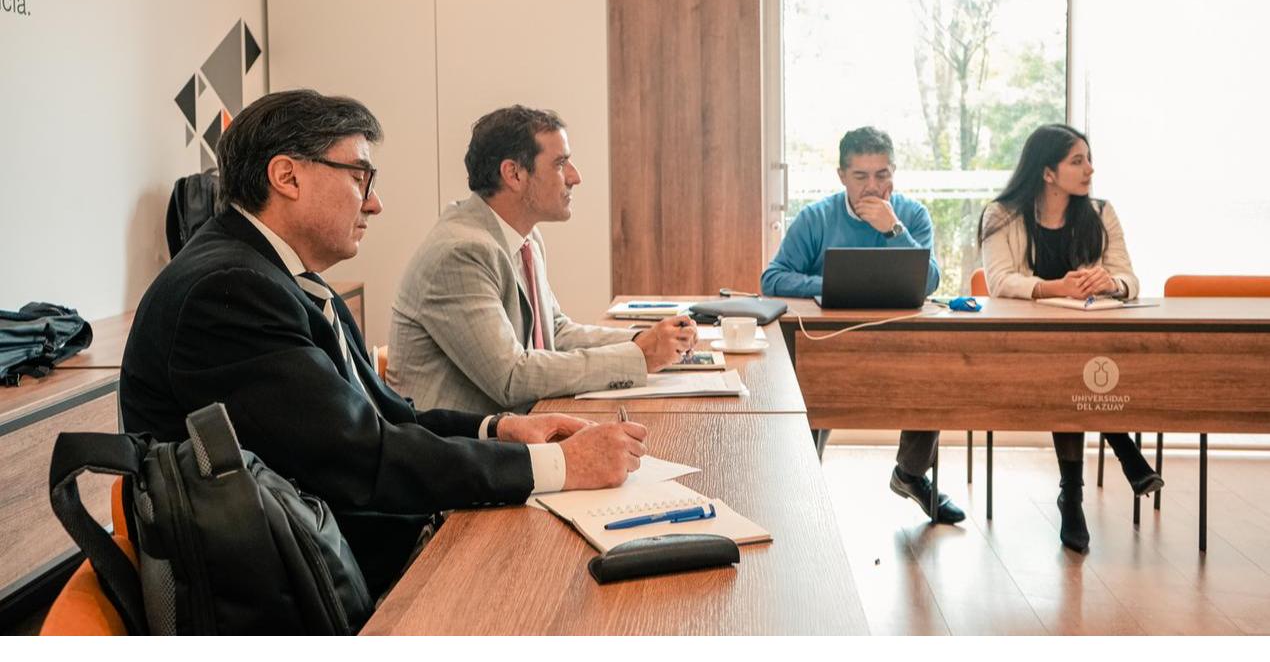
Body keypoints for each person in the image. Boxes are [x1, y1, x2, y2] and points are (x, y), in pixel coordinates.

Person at [120, 90, 648, 597]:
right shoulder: (228, 291)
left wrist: (500, 430)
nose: (374, 203)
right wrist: (558, 466)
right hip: (335, 589)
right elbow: (360, 457)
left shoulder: (281, 276)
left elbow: (387, 416)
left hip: (351, 552)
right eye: (359, 177)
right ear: (287, 177)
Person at [389, 105, 697, 414]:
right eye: (561, 164)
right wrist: (639, 356)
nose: (575, 177)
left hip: (518, 426)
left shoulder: (526, 238)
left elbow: (555, 332)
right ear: (514, 174)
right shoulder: (460, 252)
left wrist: (643, 340)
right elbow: (511, 377)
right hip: (461, 441)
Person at [760, 126, 961, 524]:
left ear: (893, 173)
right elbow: (773, 278)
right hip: (832, 342)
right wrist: (833, 284)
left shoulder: (911, 216)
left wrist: (893, 230)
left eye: (882, 175)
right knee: (812, 368)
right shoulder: (816, 218)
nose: (872, 186)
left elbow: (930, 281)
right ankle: (804, 475)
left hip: (899, 339)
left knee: (935, 365)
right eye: (861, 176)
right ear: (842, 176)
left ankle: (911, 473)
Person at [979, 122, 1164, 552]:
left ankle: (1073, 496)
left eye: (1089, 159)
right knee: (1073, 373)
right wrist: (1054, 287)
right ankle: (1122, 455)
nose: (1090, 170)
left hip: (1084, 340)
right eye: (1077, 161)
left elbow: (1129, 277)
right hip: (1025, 346)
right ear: (1047, 172)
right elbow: (999, 281)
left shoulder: (1100, 213)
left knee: (1076, 368)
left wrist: (1110, 283)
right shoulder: (1002, 215)